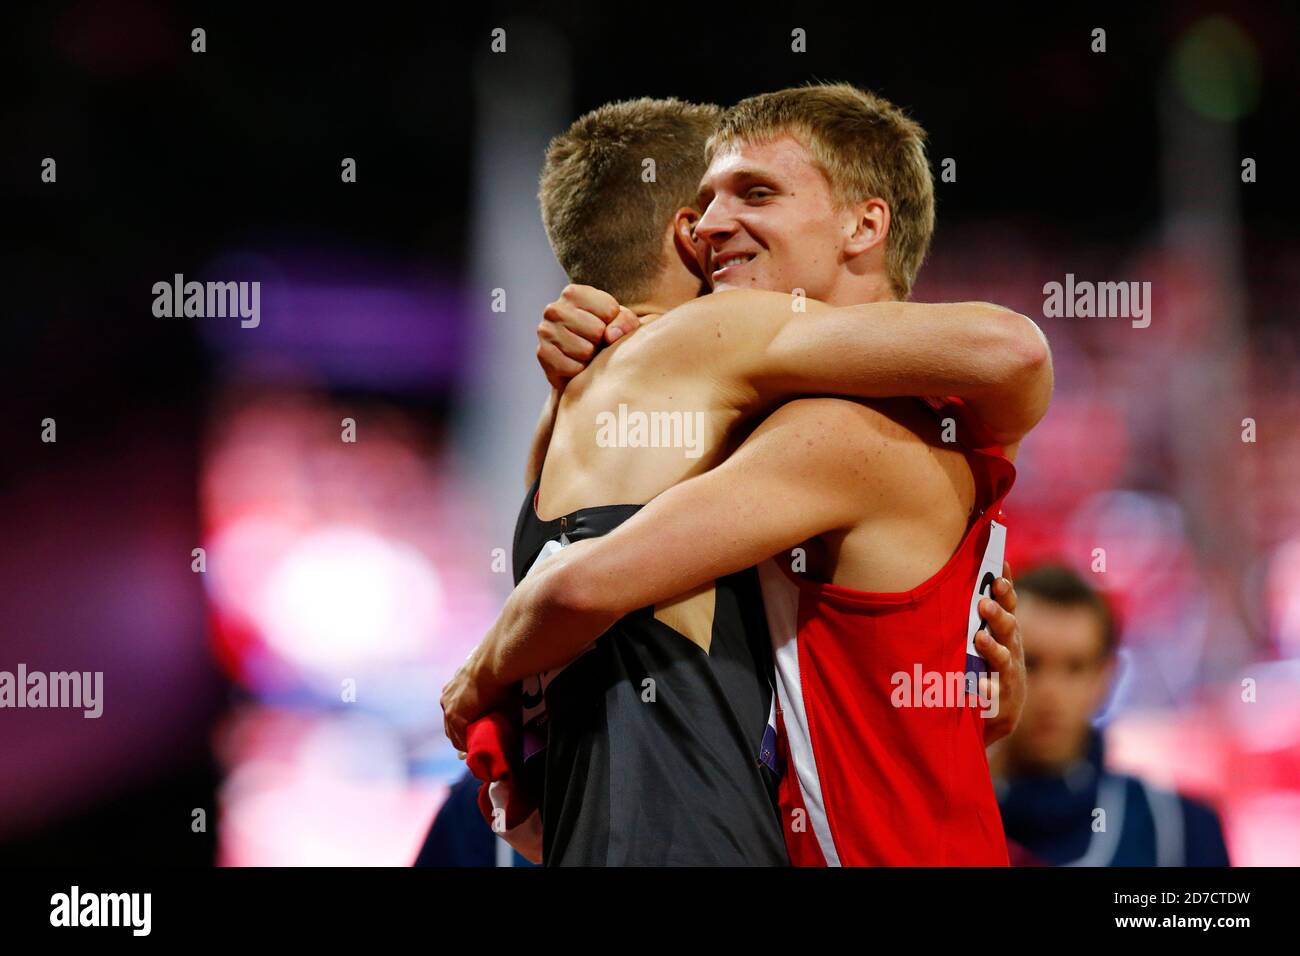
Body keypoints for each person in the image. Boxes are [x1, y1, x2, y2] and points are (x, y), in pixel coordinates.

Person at [442, 87, 1048, 865]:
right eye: (702, 203)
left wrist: (482, 672)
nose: (710, 227)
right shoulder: (935, 420)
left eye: (756, 194)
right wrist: (979, 704)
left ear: (864, 225)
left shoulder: (837, 433)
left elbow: (582, 585)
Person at [991, 564, 1231, 866]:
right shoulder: (948, 820)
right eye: (1031, 664)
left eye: (1075, 667)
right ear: (993, 665)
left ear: (1106, 676)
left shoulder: (1179, 829)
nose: (1051, 692)